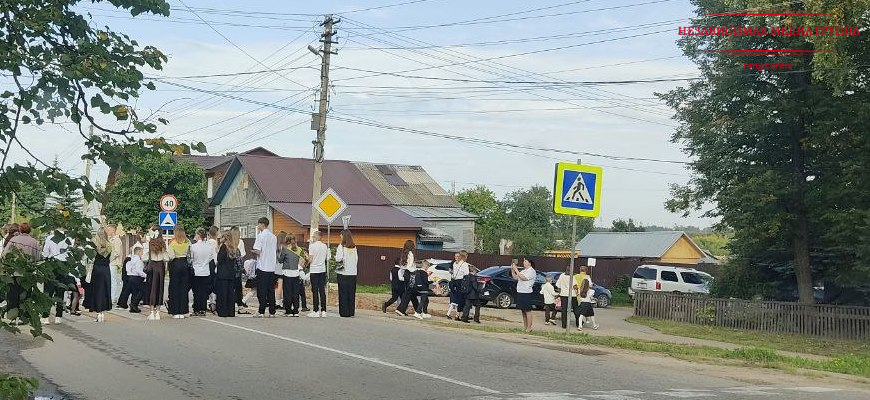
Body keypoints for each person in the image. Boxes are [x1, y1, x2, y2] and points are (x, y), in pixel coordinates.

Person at [3, 223, 39, 324]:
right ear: (30, 230)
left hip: (14, 271)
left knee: (12, 295)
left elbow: (5, 254)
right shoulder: (34, 242)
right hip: (27, 272)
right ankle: (23, 317)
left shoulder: (13, 240)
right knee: (25, 295)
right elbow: (37, 257)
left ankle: (12, 317)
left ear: (20, 230)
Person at [40, 226, 76, 324]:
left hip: (52, 264)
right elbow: (70, 254)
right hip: (63, 265)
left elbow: (45, 253)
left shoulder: (50, 238)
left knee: (48, 290)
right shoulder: (69, 239)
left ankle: (45, 316)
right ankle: (58, 316)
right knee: (60, 290)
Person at [251, 217, 277, 318]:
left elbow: (258, 251)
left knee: (261, 290)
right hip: (271, 267)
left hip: (262, 266)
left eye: (258, 224)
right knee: (271, 290)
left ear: (262, 224)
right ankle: (272, 311)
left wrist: (253, 252)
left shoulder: (260, 236)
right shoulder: (273, 236)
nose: (258, 226)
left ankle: (261, 311)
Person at [87, 227, 113, 322]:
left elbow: (90, 257)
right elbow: (112, 257)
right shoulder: (109, 245)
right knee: (105, 290)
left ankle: (98, 312)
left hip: (97, 268)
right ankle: (103, 313)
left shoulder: (94, 245)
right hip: (106, 269)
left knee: (97, 290)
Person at [189, 228, 216, 317]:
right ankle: (203, 309)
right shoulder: (209, 246)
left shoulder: (193, 246)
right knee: (204, 291)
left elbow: (191, 258)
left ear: (198, 235)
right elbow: (211, 258)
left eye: (196, 234)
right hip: (206, 270)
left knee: (196, 291)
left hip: (196, 270)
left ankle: (197, 309)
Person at [277, 234, 305, 317]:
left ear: (287, 240)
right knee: (295, 293)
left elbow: (280, 260)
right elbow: (302, 260)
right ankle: (296, 311)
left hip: (287, 273)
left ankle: (288, 311)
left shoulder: (285, 249)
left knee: (287, 292)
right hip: (296, 273)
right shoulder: (299, 249)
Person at [167, 225, 191, 319]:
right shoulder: (187, 242)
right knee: (184, 288)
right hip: (185, 264)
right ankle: (183, 310)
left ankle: (176, 311)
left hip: (176, 264)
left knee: (175, 288)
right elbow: (190, 254)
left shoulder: (172, 243)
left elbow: (171, 256)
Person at [215, 230, 240, 317]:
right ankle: (231, 311)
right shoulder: (233, 247)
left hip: (223, 274)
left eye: (221, 237)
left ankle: (223, 312)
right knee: (230, 293)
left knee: (223, 293)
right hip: (230, 273)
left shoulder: (223, 247)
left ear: (224, 238)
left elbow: (219, 259)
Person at [334, 230, 358, 318]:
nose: (340, 237)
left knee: (343, 292)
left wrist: (335, 257)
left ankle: (344, 312)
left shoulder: (341, 246)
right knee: (351, 293)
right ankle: (351, 312)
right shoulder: (354, 247)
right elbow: (356, 260)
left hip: (343, 273)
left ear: (343, 236)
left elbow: (339, 258)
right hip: (353, 273)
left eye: (340, 235)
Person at [145, 237, 170, 321]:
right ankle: (158, 312)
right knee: (160, 289)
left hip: (152, 266)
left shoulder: (150, 244)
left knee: (152, 288)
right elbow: (167, 258)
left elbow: (144, 258)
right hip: (160, 266)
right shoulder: (162, 245)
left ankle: (152, 312)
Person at [395, 240, 420, 317]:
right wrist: (414, 270)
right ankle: (400, 309)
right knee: (409, 292)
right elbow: (409, 266)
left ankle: (418, 310)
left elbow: (403, 266)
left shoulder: (404, 254)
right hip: (410, 274)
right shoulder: (410, 254)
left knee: (411, 293)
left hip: (406, 274)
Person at [306, 230, 328, 317]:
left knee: (315, 290)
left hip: (314, 270)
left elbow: (310, 259)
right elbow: (326, 258)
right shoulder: (324, 246)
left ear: (318, 237)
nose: (313, 238)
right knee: (322, 290)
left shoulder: (312, 246)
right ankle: (324, 310)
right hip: (322, 270)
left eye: (314, 236)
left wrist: (307, 258)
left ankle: (316, 310)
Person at [511, 258, 536, 332]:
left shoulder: (532, 271)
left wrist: (516, 270)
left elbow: (523, 278)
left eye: (525, 261)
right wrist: (512, 270)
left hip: (527, 293)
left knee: (528, 310)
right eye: (524, 261)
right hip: (520, 291)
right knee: (523, 310)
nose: (523, 262)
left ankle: (529, 327)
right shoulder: (523, 271)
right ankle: (525, 327)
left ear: (529, 263)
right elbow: (516, 277)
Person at [446, 250, 470, 319]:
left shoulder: (455, 264)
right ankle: (459, 315)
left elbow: (453, 272)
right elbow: (466, 274)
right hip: (461, 282)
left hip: (454, 282)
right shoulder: (465, 264)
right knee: (462, 299)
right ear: (464, 256)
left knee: (456, 299)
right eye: (466, 256)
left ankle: (457, 314)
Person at [576, 266, 600, 331]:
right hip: (588, 302)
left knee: (582, 314)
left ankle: (581, 325)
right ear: (586, 270)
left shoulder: (576, 276)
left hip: (580, 300)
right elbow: (591, 286)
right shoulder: (587, 278)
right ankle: (593, 325)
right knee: (591, 314)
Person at [230, 226, 247, 311]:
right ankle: (239, 304)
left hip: (230, 267)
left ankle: (230, 302)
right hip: (238, 267)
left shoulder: (229, 242)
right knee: (238, 286)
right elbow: (242, 255)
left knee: (230, 286)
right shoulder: (241, 242)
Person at [125, 247, 146, 314]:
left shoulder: (132, 259)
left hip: (131, 277)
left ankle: (133, 308)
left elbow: (128, 268)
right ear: (138, 252)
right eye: (141, 251)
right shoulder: (138, 260)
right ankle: (134, 304)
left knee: (134, 292)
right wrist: (145, 275)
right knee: (143, 290)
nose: (142, 253)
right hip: (137, 277)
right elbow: (139, 271)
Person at [106, 224, 124, 305]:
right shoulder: (111, 239)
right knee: (110, 280)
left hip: (113, 262)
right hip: (110, 262)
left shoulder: (116, 240)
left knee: (113, 281)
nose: (108, 231)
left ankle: (113, 298)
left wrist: (108, 260)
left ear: (113, 230)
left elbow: (117, 252)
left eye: (109, 230)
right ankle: (110, 296)